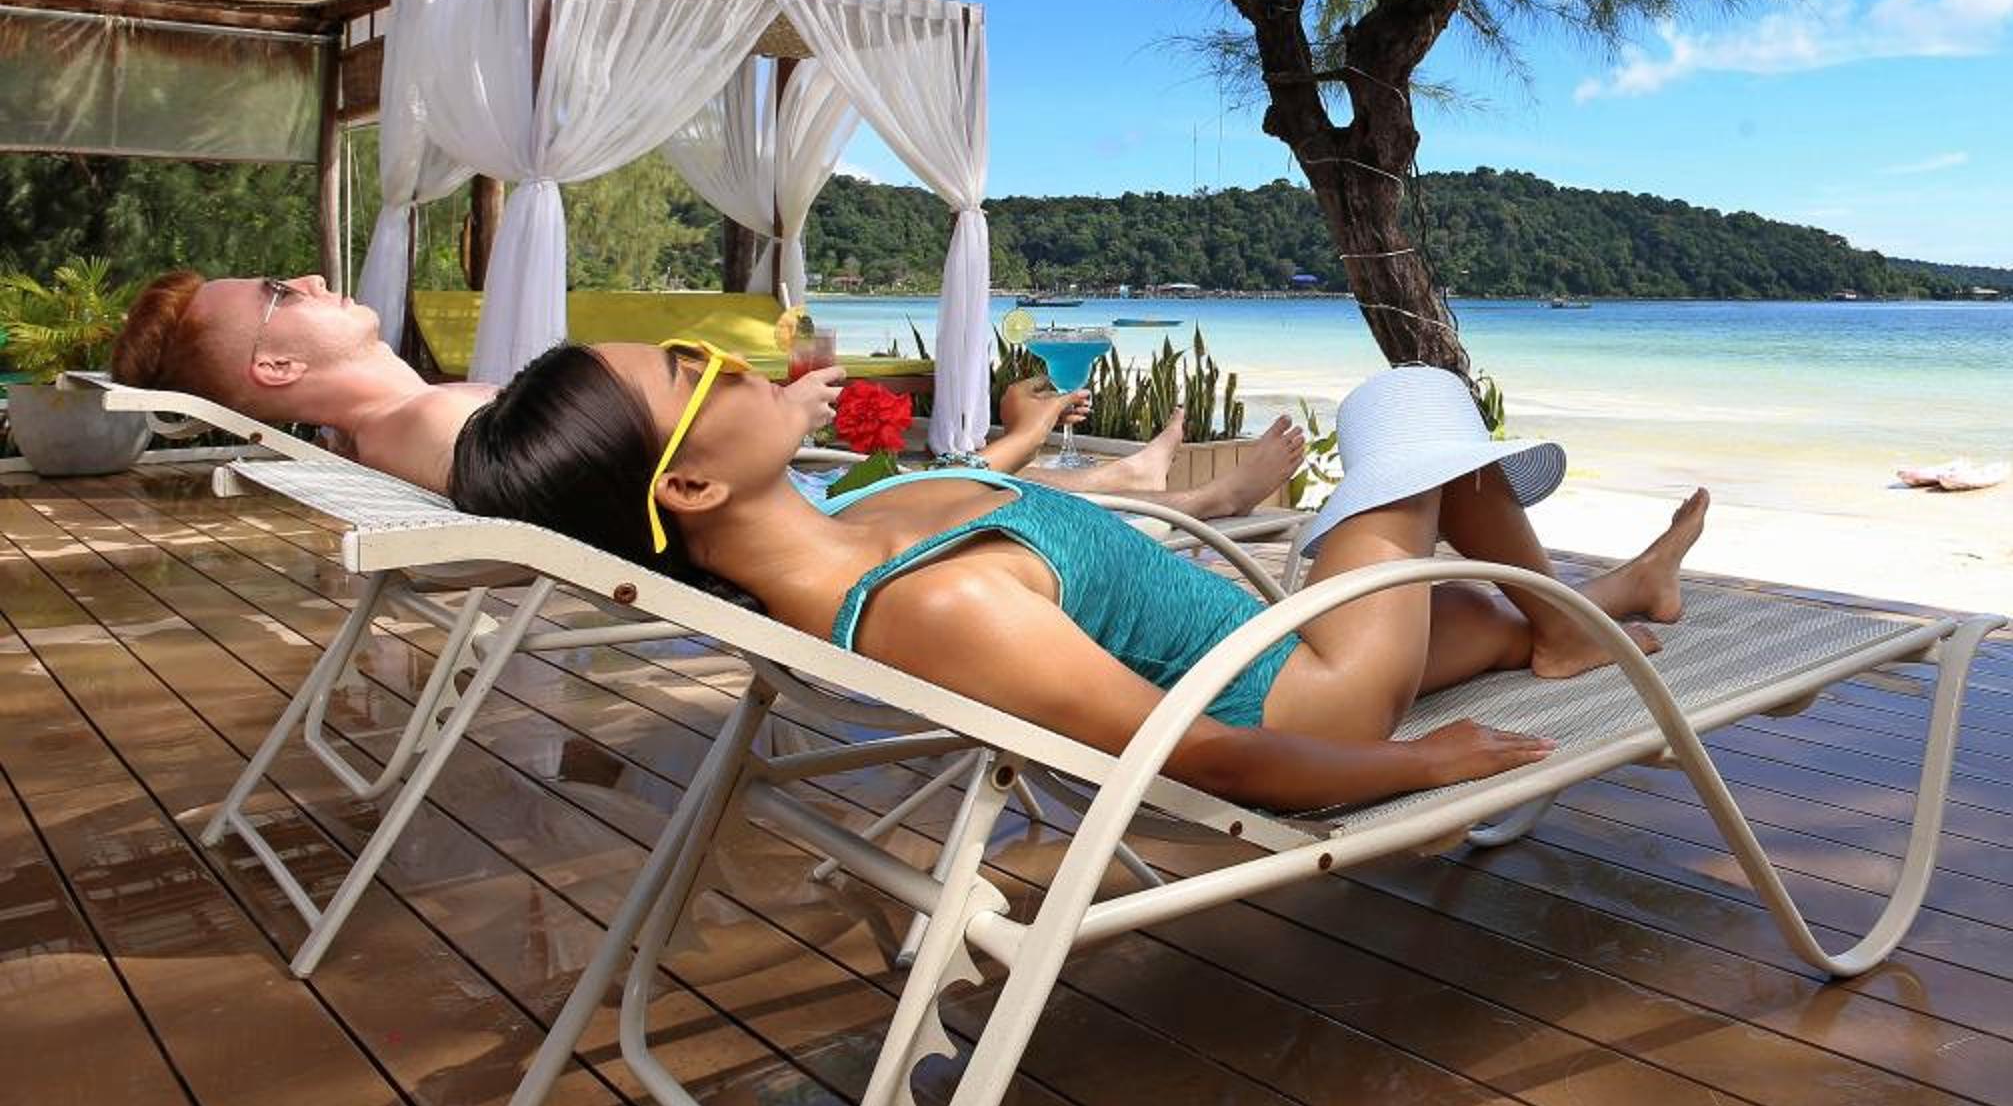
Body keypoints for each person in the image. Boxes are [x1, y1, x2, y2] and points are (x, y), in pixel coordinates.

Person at [450, 350, 1713, 809]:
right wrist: (1419, 765)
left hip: (1266, 632)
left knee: (1476, 607)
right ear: (688, 486)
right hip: (1304, 696)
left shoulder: (854, 518)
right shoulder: (932, 600)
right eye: (690, 372)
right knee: (1414, 406)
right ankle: (1570, 623)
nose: (728, 361)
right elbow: (1201, 759)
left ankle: (1578, 615)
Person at [106, 272, 1298, 517]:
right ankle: (1168, 496)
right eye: (281, 292)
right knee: (905, 492)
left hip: (741, 499)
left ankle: (1125, 476)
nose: (312, 277)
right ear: (275, 367)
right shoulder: (426, 422)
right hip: (759, 526)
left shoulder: (406, 419)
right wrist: (782, 419)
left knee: (907, 470)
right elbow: (630, 479)